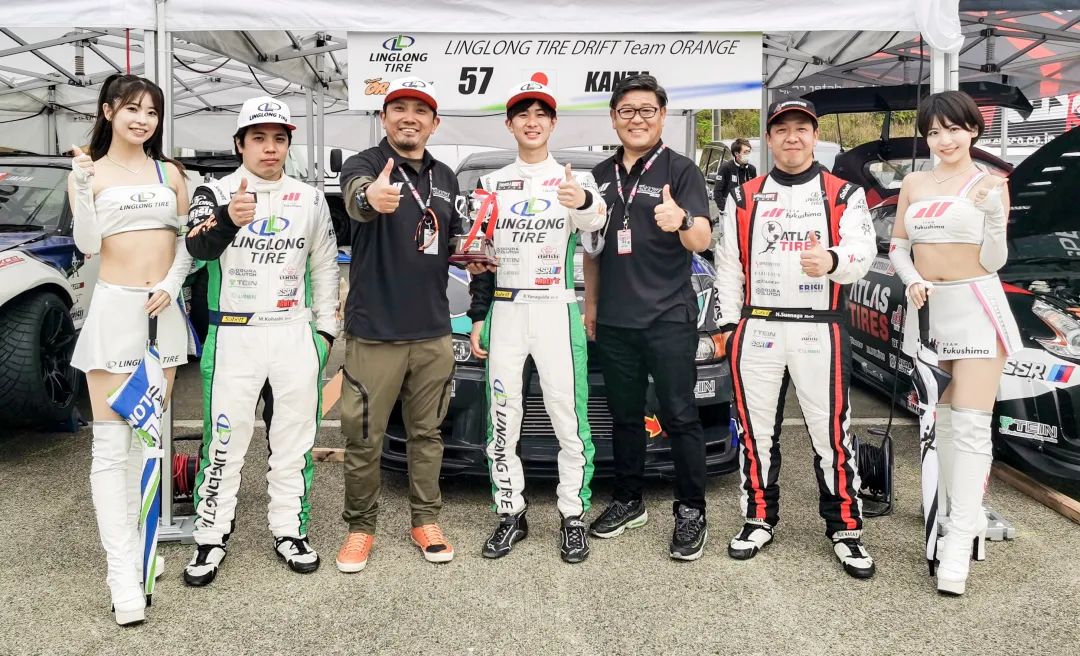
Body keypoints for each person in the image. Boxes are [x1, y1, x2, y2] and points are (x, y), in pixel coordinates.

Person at [712, 98, 877, 579]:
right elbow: (728, 265)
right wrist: (729, 326)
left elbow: (863, 251)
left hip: (818, 325)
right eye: (781, 129)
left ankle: (845, 528)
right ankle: (758, 518)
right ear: (768, 139)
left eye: (801, 128)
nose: (792, 137)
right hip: (758, 325)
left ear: (815, 135)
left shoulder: (844, 193)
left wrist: (832, 260)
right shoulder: (744, 196)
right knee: (756, 431)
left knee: (831, 434)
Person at [182, 96, 339, 586]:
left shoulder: (310, 198)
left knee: (294, 441)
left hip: (293, 332)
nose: (270, 148)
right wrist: (230, 216)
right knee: (225, 440)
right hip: (235, 332)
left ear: (288, 144)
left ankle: (289, 530)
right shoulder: (213, 191)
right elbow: (197, 245)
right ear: (239, 144)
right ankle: (210, 536)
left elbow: (325, 266)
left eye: (279, 139)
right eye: (258, 138)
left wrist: (325, 333)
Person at [465, 80, 607, 563]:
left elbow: (597, 225)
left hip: (555, 309)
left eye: (540, 114)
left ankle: (573, 516)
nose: (531, 121)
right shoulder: (490, 185)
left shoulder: (573, 180)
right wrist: (478, 316)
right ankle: (511, 513)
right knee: (503, 419)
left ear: (552, 123)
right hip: (505, 310)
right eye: (522, 114)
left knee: (569, 418)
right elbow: (481, 257)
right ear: (510, 125)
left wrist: (580, 201)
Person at [69, 74, 191, 625]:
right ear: (107, 111)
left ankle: (144, 553)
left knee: (149, 442)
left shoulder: (171, 173)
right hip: (114, 312)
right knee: (111, 448)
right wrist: (80, 185)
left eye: (152, 112)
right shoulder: (90, 171)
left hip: (163, 317)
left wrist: (172, 283)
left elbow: (190, 242)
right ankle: (121, 575)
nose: (142, 120)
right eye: (132, 109)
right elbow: (87, 245)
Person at [889, 90, 1019, 596]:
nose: (944, 140)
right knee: (938, 426)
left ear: (973, 130)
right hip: (928, 311)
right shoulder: (914, 182)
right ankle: (948, 518)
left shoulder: (990, 183)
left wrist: (993, 216)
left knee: (969, 427)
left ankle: (961, 539)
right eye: (934, 132)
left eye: (954, 129)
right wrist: (911, 280)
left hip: (976, 305)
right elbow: (899, 247)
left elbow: (995, 261)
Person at [335, 77, 464, 572]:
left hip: (433, 329)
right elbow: (357, 199)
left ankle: (425, 520)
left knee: (427, 434)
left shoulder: (446, 177)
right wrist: (372, 199)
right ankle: (360, 528)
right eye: (399, 108)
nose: (409, 117)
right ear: (384, 118)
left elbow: (450, 241)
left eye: (420, 110)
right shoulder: (364, 165)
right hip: (375, 330)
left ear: (435, 122)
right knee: (364, 436)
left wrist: (470, 255)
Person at [582, 75, 713, 561]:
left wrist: (682, 221)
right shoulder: (599, 174)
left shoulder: (681, 170)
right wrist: (592, 306)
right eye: (627, 111)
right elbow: (592, 248)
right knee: (624, 416)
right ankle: (628, 499)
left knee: (680, 414)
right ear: (613, 118)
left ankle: (691, 509)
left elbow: (702, 239)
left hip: (668, 316)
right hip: (616, 320)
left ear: (662, 116)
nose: (636, 119)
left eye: (646, 111)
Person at [712, 138, 756, 215]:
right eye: (745, 152)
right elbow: (717, 191)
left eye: (749, 151)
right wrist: (724, 208)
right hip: (728, 211)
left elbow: (754, 191)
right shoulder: (726, 168)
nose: (748, 154)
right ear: (736, 154)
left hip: (746, 212)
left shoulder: (751, 169)